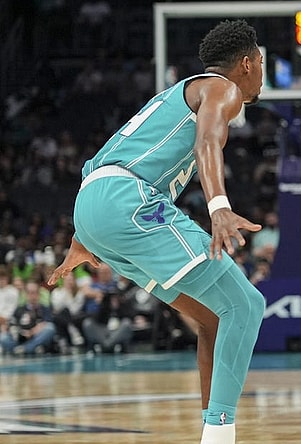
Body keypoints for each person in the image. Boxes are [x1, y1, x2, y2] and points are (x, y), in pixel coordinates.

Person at [46, 20, 266, 444]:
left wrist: (82, 240)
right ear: (245, 63)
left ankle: (211, 430)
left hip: (93, 204)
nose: (260, 74)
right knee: (247, 306)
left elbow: (112, 164)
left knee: (215, 319)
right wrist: (219, 207)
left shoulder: (178, 93)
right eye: (259, 64)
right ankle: (222, 437)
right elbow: (208, 142)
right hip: (126, 198)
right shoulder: (224, 89)